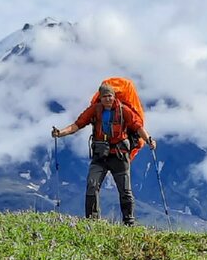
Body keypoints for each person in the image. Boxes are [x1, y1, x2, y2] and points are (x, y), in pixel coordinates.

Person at [52, 82, 155, 225]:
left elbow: (137, 127)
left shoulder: (124, 110)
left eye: (110, 96)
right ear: (100, 98)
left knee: (125, 190)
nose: (108, 99)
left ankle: (129, 222)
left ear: (114, 96)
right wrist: (60, 133)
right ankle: (92, 221)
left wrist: (148, 139)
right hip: (100, 155)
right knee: (92, 185)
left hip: (119, 155)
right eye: (104, 96)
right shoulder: (95, 110)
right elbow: (78, 124)